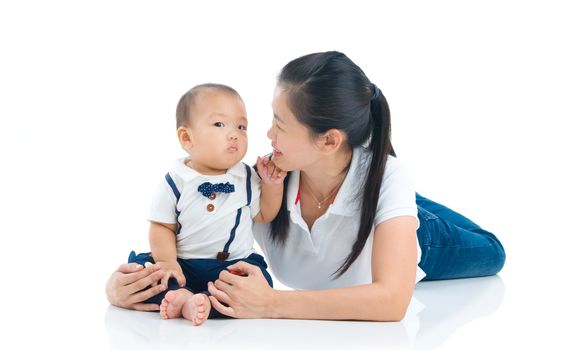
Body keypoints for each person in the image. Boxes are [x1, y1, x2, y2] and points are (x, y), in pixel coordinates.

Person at [106, 52, 506, 322]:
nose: (266, 133)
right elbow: (188, 233)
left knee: (493, 252)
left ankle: (407, 213)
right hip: (352, 184)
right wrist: (123, 287)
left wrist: (273, 304)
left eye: (280, 124)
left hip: (421, 235)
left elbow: (392, 301)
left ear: (329, 141)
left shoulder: (388, 177)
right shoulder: (261, 182)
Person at [125, 83, 286, 326]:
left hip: (231, 266)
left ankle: (203, 303)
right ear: (187, 137)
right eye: (220, 124)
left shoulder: (246, 177)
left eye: (241, 127)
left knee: (257, 282)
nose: (234, 133)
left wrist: (272, 185)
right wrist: (168, 262)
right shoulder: (176, 180)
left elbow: (264, 214)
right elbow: (161, 227)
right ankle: (182, 294)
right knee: (146, 273)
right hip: (183, 264)